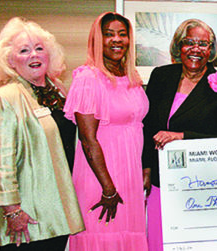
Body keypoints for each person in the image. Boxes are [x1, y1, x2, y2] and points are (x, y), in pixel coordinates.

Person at [141, 18, 217, 251]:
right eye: (189, 42)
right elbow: (148, 125)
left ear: (211, 50)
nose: (196, 49)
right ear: (179, 46)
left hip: (203, 183)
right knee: (160, 241)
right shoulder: (161, 77)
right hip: (161, 179)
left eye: (203, 44)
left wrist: (182, 136)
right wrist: (146, 167)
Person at [0, 17, 84, 250]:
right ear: (10, 59)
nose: (34, 55)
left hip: (56, 211)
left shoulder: (57, 91)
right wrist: (12, 211)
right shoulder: (6, 97)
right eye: (24, 51)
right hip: (26, 216)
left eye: (39, 49)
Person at [63, 12, 148, 251]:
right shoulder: (88, 79)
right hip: (101, 180)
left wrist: (144, 169)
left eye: (122, 34)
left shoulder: (131, 78)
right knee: (103, 238)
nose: (117, 40)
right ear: (96, 40)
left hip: (129, 178)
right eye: (108, 34)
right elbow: (88, 141)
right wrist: (108, 189)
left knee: (127, 237)